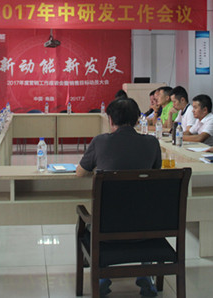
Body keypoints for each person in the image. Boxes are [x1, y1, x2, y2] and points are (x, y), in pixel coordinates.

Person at [76, 97, 161, 297]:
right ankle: (145, 274)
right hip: (147, 227)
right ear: (137, 120)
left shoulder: (100, 141)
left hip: (108, 229)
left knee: (95, 217)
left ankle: (102, 275)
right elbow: (155, 173)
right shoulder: (152, 142)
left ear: (110, 120)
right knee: (141, 209)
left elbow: (80, 173)